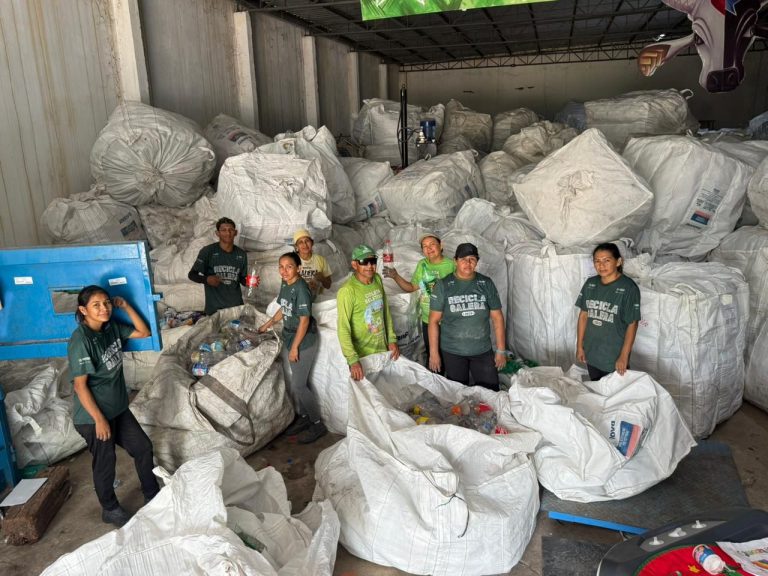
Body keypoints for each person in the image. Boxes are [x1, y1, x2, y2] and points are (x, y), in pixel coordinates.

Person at [67, 285, 160, 528]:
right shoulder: (82, 340)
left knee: (142, 447)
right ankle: (109, 508)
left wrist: (126, 306)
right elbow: (80, 386)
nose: (103, 308)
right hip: (93, 417)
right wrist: (99, 419)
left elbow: (144, 332)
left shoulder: (111, 329)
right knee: (106, 463)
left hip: (118, 409)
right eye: (96, 305)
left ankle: (151, 493)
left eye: (106, 303)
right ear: (83, 310)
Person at [258, 252, 327, 444]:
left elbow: (304, 321)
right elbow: (284, 308)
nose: (284, 271)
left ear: (297, 268)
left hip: (304, 340)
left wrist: (295, 347)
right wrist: (268, 324)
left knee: (298, 385)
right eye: (281, 266)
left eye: (289, 266)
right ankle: (304, 418)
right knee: (301, 382)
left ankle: (317, 423)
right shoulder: (285, 284)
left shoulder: (301, 289)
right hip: (290, 336)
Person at [428, 243, 506, 391]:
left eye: (472, 259)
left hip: (482, 349)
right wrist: (434, 354)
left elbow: (497, 318)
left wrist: (501, 350)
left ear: (477, 261)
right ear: (455, 261)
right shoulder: (443, 285)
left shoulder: (486, 283)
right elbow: (433, 321)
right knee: (458, 393)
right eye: (463, 259)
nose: (468, 263)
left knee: (490, 391)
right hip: (453, 350)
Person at [383, 233, 455, 370]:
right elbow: (412, 287)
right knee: (434, 357)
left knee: (450, 356)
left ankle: (454, 384)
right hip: (428, 319)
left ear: (441, 246)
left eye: (432, 244)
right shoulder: (422, 265)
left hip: (448, 321)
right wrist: (395, 276)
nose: (429, 248)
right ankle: (439, 385)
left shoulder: (451, 265)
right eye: (425, 246)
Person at [576, 242, 641, 380]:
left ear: (618, 262)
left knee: (614, 397)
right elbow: (583, 316)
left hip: (614, 357)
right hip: (592, 352)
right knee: (597, 389)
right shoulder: (590, 284)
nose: (601, 265)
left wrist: (624, 356)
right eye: (597, 261)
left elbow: (632, 324)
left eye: (606, 260)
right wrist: (579, 346)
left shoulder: (629, 288)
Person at [337, 244, 400, 381]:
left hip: (382, 350)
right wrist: (352, 360)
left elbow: (386, 312)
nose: (370, 266)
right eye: (364, 262)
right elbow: (343, 328)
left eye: (373, 261)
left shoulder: (377, 279)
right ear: (354, 264)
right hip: (364, 357)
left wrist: (392, 339)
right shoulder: (347, 291)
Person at [188, 217, 252, 316]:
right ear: (217, 233)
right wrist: (207, 279)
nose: (228, 233)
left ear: (235, 232)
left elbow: (241, 279)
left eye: (231, 230)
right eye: (224, 230)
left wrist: (250, 282)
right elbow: (192, 275)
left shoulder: (241, 254)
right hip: (214, 309)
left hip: (235, 308)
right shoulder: (208, 251)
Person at [293, 228, 332, 298]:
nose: (305, 245)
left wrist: (322, 278)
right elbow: (286, 285)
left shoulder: (321, 260)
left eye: (307, 241)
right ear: (296, 247)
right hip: (298, 297)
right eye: (300, 242)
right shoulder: (293, 261)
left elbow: (328, 285)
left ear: (312, 243)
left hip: (317, 297)